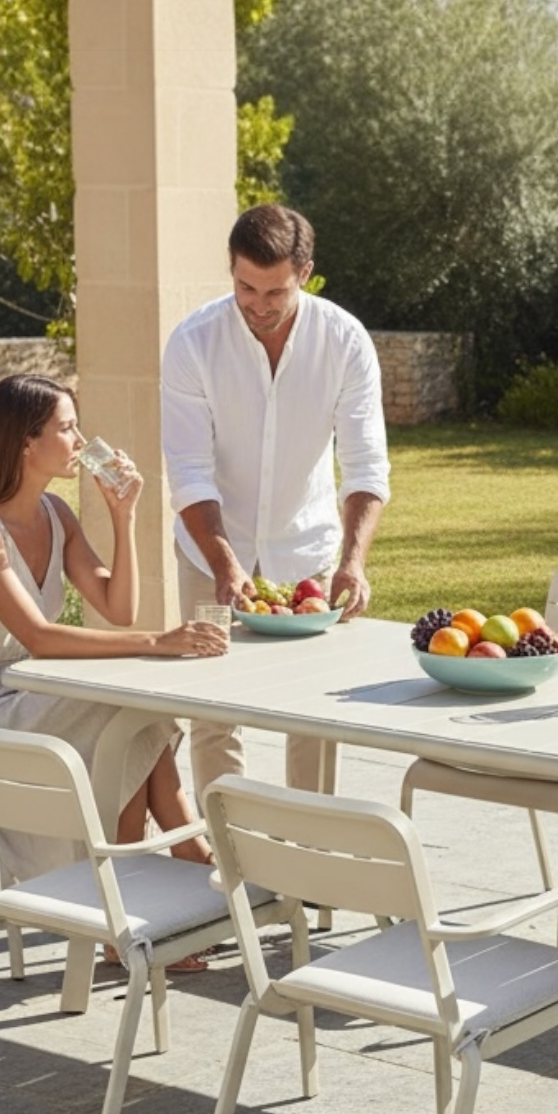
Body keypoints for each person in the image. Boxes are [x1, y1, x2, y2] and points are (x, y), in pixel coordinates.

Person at [0, 372, 225, 907]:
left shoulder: (55, 514)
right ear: (25, 443)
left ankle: (156, 880)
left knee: (129, 712)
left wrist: (123, 517)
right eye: (67, 428)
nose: (81, 442)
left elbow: (118, 608)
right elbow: (38, 636)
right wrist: (157, 642)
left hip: (24, 693)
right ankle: (174, 871)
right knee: (119, 713)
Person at [160, 203, 391, 796]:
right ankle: (230, 838)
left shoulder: (344, 340)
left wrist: (353, 561)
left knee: (313, 710)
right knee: (213, 707)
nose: (258, 305)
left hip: (308, 551)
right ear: (231, 269)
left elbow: (365, 464)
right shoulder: (193, 343)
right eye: (246, 287)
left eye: (276, 292)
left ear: (305, 272)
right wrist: (224, 563)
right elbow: (188, 471)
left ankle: (308, 839)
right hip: (208, 552)